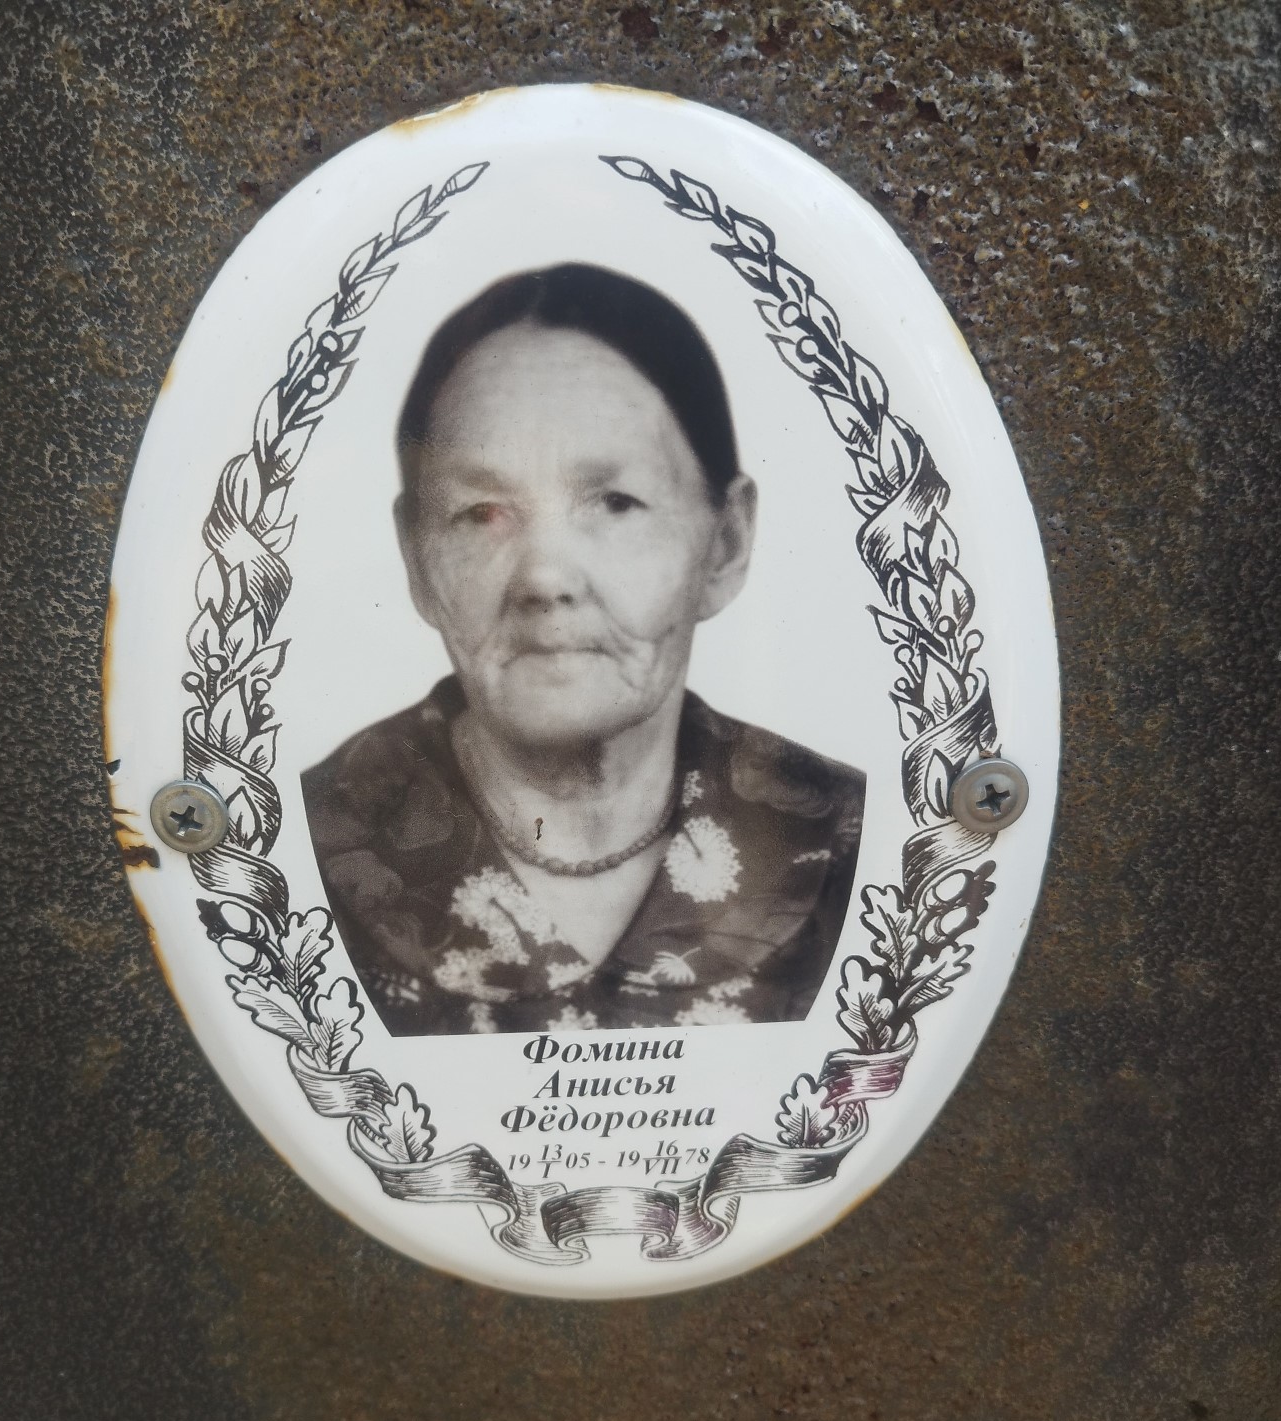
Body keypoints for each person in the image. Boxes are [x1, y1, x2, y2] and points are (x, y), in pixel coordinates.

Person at [301, 264, 864, 1035]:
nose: (545, 578)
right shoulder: (290, 854)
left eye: (615, 503)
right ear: (417, 561)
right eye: (480, 513)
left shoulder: (856, 842)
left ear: (726, 544)